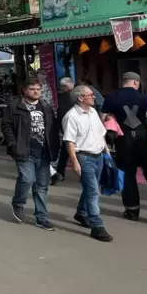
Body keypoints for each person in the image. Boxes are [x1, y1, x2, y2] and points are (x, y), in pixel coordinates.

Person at [102, 72, 147, 223]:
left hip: (123, 141)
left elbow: (102, 120)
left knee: (128, 176)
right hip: (143, 140)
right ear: (135, 82)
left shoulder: (112, 97)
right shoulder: (143, 97)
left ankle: (132, 211)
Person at [1, 77, 59, 230]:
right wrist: (12, 143)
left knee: (41, 186)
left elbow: (53, 128)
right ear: (25, 90)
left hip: (44, 151)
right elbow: (6, 125)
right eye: (32, 89)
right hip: (24, 150)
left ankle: (41, 217)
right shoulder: (15, 106)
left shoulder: (45, 106)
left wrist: (55, 146)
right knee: (27, 179)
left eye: (38, 89)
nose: (36, 92)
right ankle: (18, 203)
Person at [62, 85, 113, 242]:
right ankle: (97, 226)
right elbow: (69, 141)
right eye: (90, 95)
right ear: (80, 98)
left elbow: (100, 134)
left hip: (98, 155)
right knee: (93, 191)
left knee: (92, 188)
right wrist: (75, 161)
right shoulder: (71, 117)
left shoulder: (93, 113)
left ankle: (81, 213)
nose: (94, 97)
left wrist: (107, 152)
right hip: (84, 157)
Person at [52, 77, 75, 185]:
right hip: (71, 128)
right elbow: (63, 113)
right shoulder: (68, 96)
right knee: (69, 151)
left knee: (66, 152)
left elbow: (61, 113)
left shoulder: (64, 96)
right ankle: (60, 172)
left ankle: (60, 172)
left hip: (67, 128)